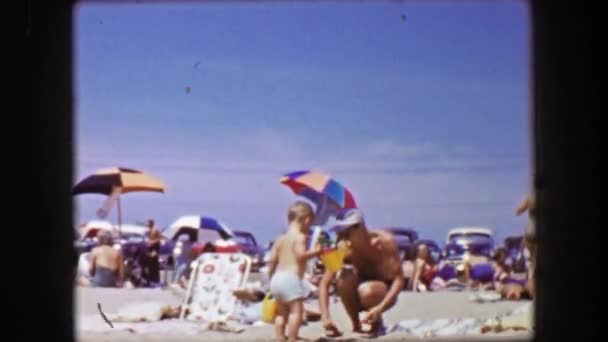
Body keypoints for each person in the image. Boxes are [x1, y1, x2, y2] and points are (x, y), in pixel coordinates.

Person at [318, 208, 404, 337]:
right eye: (340, 234)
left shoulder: (384, 241)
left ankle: (376, 321)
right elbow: (324, 283)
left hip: (382, 292)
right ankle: (356, 324)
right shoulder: (341, 246)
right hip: (356, 291)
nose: (342, 239)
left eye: (346, 234)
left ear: (360, 228)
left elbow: (399, 279)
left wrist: (380, 308)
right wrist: (326, 318)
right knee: (343, 277)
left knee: (368, 290)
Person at [266, 201, 323, 342]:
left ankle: (280, 337)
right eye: (310, 224)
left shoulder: (280, 239)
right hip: (291, 278)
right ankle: (292, 338)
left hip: (277, 278)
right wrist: (316, 251)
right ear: (307, 220)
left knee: (281, 313)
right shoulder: (300, 237)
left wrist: (270, 277)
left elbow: (272, 260)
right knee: (295, 311)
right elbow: (301, 256)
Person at [142, 221, 161, 286]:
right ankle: (150, 279)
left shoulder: (155, 230)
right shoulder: (148, 231)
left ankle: (155, 280)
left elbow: (158, 239)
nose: (146, 225)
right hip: (149, 250)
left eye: (147, 224)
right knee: (149, 266)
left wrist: (152, 242)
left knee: (154, 266)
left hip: (154, 250)